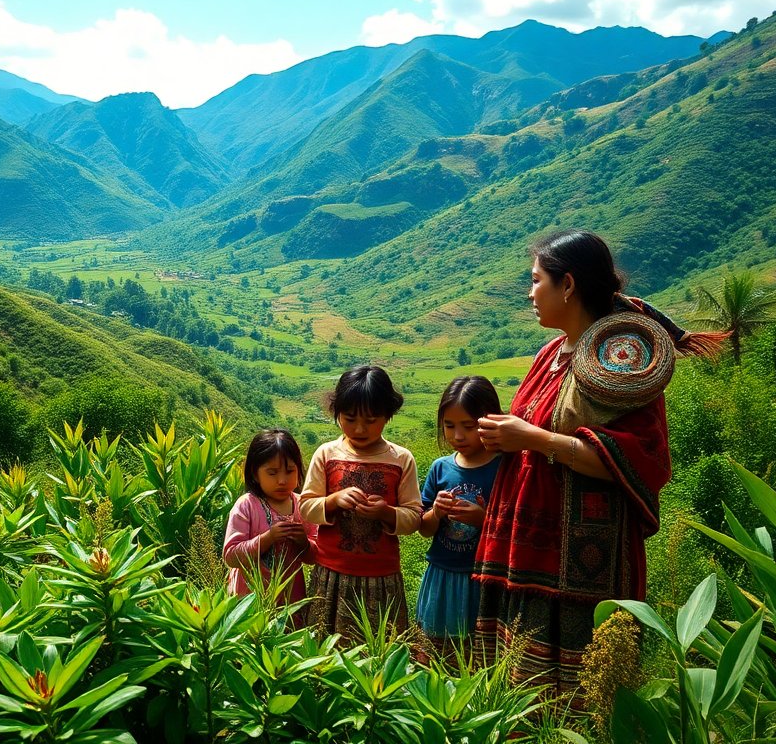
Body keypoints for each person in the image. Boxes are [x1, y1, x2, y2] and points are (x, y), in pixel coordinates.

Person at [473, 229, 723, 695]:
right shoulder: (551, 353)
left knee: (581, 695)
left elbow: (639, 457)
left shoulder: (621, 364)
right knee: (517, 690)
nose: (530, 293)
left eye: (535, 281)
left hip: (583, 558)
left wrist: (533, 438)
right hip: (526, 547)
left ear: (567, 285)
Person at [299, 365, 422, 639]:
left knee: (378, 651)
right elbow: (306, 506)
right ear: (336, 412)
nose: (359, 428)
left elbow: (414, 516)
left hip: (381, 577)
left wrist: (386, 512)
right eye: (350, 418)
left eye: (370, 420)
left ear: (388, 415)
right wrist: (333, 500)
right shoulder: (327, 454)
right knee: (325, 649)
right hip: (332, 572)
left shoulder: (400, 459)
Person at [416, 377, 502, 652]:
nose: (458, 436)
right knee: (437, 652)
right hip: (442, 574)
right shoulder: (440, 468)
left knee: (479, 654)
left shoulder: (503, 466)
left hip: (484, 577)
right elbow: (425, 528)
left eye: (469, 427)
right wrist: (437, 512)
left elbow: (513, 528)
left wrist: (483, 519)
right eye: (449, 426)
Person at [223, 429, 316, 609]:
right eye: (272, 473)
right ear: (255, 474)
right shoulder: (247, 506)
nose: (282, 480)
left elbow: (314, 556)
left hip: (291, 601)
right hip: (249, 601)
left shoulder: (303, 506)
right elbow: (231, 556)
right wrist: (267, 538)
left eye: (290, 471)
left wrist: (304, 543)